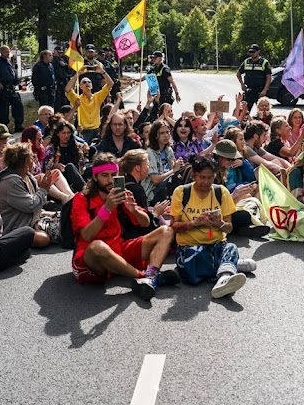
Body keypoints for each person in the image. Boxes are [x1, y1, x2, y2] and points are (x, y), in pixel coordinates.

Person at [69, 153, 176, 300]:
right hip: (92, 259)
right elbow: (87, 236)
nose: (110, 180)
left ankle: (149, 277)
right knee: (98, 247)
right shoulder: (81, 199)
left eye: (114, 175)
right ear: (95, 177)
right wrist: (106, 208)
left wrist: (133, 210)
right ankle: (144, 276)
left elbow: (145, 223)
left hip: (118, 248)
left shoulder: (121, 193)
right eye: (104, 175)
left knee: (166, 231)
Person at [170, 155, 256, 298]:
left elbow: (229, 228)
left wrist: (219, 224)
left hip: (216, 244)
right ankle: (230, 264)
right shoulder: (182, 192)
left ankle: (224, 279)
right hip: (190, 247)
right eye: (202, 177)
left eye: (210, 177)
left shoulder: (221, 192)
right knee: (193, 257)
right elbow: (173, 226)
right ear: (194, 175)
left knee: (231, 247)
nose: (206, 182)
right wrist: (195, 223)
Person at [0, 143, 62, 248]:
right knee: (43, 238)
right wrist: (44, 189)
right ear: (25, 161)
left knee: (66, 218)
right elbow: (31, 205)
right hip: (17, 228)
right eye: (31, 157)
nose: (34, 160)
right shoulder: (11, 181)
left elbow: (38, 206)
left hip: (33, 221)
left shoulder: (28, 176)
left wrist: (51, 213)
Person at [19, 126, 74, 203]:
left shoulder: (39, 150)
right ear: (30, 140)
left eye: (42, 138)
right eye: (39, 139)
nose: (42, 141)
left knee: (57, 171)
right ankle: (63, 197)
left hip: (43, 181)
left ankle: (71, 195)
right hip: (30, 183)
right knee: (42, 176)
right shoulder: (23, 154)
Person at [65, 61, 112, 144]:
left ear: (92, 86)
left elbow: (110, 84)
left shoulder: (97, 97)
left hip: (97, 130)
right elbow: (68, 89)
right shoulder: (77, 99)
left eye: (89, 82)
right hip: (84, 131)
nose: (87, 83)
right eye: (84, 82)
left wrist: (102, 72)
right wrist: (78, 74)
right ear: (80, 87)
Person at [145, 119, 185, 203]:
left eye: (167, 132)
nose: (166, 135)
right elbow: (155, 180)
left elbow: (174, 171)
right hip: (153, 192)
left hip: (168, 186)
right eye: (162, 133)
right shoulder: (150, 152)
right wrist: (173, 170)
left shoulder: (168, 150)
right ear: (155, 135)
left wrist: (179, 166)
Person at [0, 45, 24, 133]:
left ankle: (18, 125)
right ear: (1, 52)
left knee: (18, 107)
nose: (8, 53)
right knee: (3, 110)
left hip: (11, 88)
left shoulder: (9, 62)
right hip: (2, 90)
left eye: (8, 51)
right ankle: (4, 128)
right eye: (6, 51)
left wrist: (17, 81)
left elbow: (13, 73)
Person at [43, 119, 87, 192]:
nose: (66, 136)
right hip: (62, 179)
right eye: (63, 133)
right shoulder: (51, 149)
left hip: (78, 175)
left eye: (68, 133)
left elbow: (82, 166)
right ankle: (85, 191)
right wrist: (55, 166)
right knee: (69, 166)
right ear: (58, 134)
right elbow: (46, 168)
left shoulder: (76, 147)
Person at [236, 43, 271, 112]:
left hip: (260, 91)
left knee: (263, 112)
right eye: (250, 52)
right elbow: (238, 73)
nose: (251, 54)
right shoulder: (247, 61)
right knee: (243, 111)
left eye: (253, 52)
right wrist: (242, 84)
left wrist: (264, 90)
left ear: (258, 52)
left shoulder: (264, 62)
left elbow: (269, 77)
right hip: (249, 91)